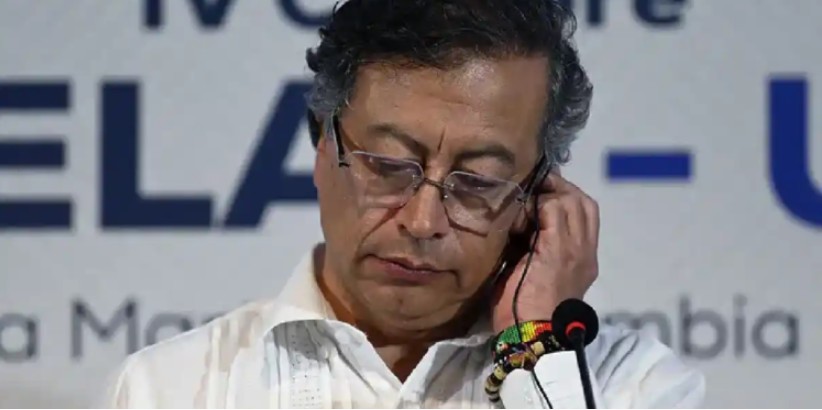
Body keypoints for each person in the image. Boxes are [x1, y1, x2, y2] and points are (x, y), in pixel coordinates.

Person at [104, 0, 705, 407]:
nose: (422, 221)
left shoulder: (632, 387)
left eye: (478, 182)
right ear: (322, 144)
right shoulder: (175, 390)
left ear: (538, 197)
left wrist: (535, 350)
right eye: (389, 166)